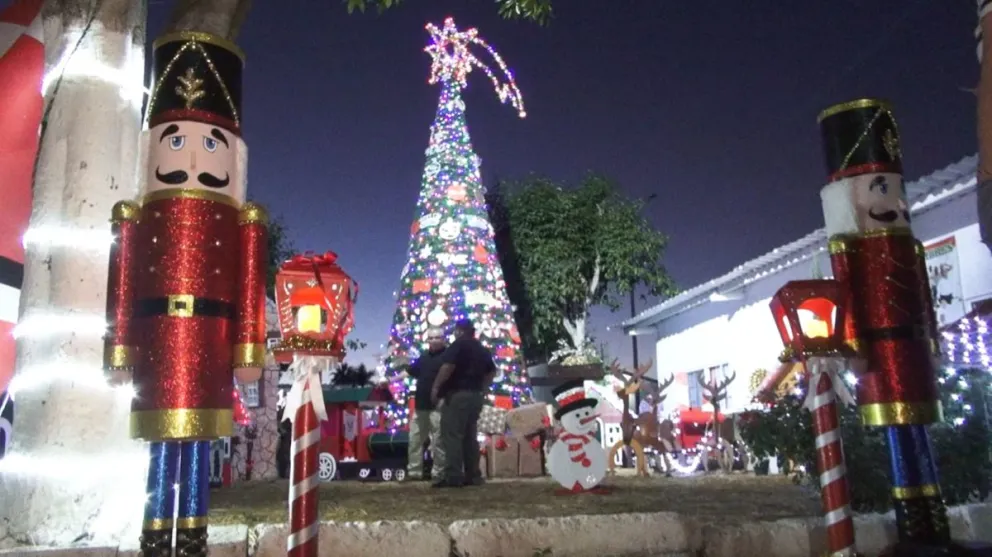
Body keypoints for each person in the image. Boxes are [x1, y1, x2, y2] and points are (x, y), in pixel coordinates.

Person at [430, 319, 496, 488]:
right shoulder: (481, 349)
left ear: (459, 331)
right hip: (475, 396)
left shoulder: (458, 345)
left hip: (458, 395)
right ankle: (473, 475)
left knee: (452, 435)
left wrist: (436, 388)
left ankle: (453, 476)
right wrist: (483, 389)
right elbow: (491, 371)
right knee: (470, 436)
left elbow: (448, 367)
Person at [395, 327, 448, 481]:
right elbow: (409, 371)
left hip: (438, 407)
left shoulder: (448, 357)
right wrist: (390, 381)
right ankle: (414, 472)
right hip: (420, 407)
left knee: (439, 442)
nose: (433, 340)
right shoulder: (424, 357)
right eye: (430, 338)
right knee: (415, 440)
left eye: (436, 337)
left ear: (443, 338)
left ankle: (439, 473)